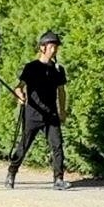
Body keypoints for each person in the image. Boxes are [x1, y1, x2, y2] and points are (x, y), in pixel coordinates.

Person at [5, 30, 71, 190]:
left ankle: (58, 179)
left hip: (51, 115)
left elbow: (61, 92)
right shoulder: (31, 68)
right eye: (51, 46)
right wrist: (19, 96)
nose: (54, 50)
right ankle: (11, 172)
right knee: (24, 145)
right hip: (33, 115)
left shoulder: (58, 70)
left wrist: (62, 111)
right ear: (42, 48)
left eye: (56, 47)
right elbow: (18, 87)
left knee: (57, 145)